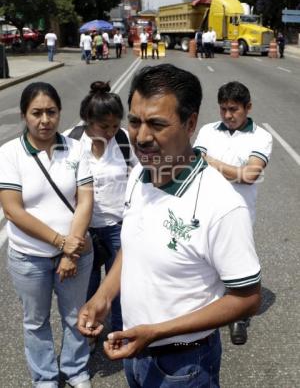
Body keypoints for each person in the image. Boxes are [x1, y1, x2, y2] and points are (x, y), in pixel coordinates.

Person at [78, 64, 261, 388]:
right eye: (134, 122)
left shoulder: (221, 204)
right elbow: (134, 246)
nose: (141, 137)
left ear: (190, 123)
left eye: (157, 124)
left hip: (184, 366)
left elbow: (247, 298)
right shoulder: (139, 175)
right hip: (134, 351)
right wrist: (104, 296)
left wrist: (157, 332)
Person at [0, 82, 94, 388]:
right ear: (25, 115)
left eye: (51, 112)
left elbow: (86, 201)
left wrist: (70, 251)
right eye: (36, 113)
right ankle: (45, 378)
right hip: (29, 257)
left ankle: (76, 370)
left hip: (76, 253)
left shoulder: (76, 147)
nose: (44, 120)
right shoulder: (10, 154)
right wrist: (60, 242)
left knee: (74, 316)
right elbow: (14, 211)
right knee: (35, 322)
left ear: (59, 113)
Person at [194, 81, 272, 345]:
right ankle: (204, 313)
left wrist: (212, 163)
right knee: (204, 264)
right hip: (204, 211)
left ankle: (238, 318)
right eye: (223, 109)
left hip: (239, 215)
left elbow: (250, 175)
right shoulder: (207, 131)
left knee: (238, 269)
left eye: (234, 110)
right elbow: (193, 165)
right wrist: (233, 172)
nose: (228, 115)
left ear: (247, 108)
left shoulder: (260, 136)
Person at [65, 81, 137, 335]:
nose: (110, 131)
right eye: (103, 126)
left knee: (119, 285)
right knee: (88, 283)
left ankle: (120, 331)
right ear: (87, 120)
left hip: (119, 226)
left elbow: (140, 173)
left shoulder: (124, 140)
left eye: (115, 125)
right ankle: (89, 330)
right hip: (86, 229)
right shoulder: (70, 142)